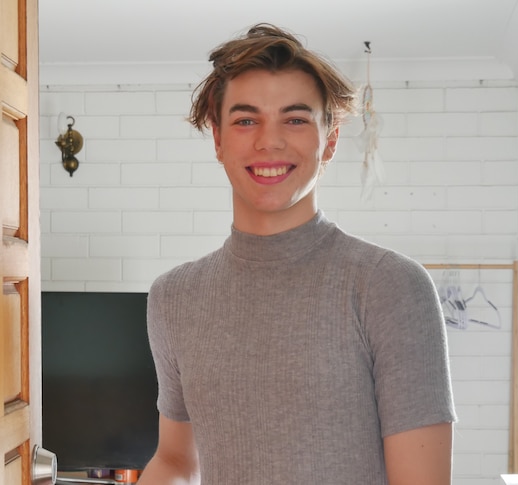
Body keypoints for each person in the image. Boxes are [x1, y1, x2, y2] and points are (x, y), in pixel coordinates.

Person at [138, 23, 456, 485]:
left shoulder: (390, 286)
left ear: (329, 140)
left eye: (296, 118)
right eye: (246, 120)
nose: (269, 141)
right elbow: (176, 461)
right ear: (218, 139)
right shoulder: (173, 297)